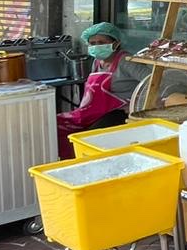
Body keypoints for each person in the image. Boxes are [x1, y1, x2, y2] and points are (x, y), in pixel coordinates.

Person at [55, 22, 143, 157]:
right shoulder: (97, 62)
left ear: (116, 43)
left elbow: (151, 81)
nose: (96, 46)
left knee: (86, 138)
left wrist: (136, 104)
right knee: (57, 124)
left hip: (119, 113)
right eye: (92, 43)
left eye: (101, 42)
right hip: (96, 112)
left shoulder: (126, 60)